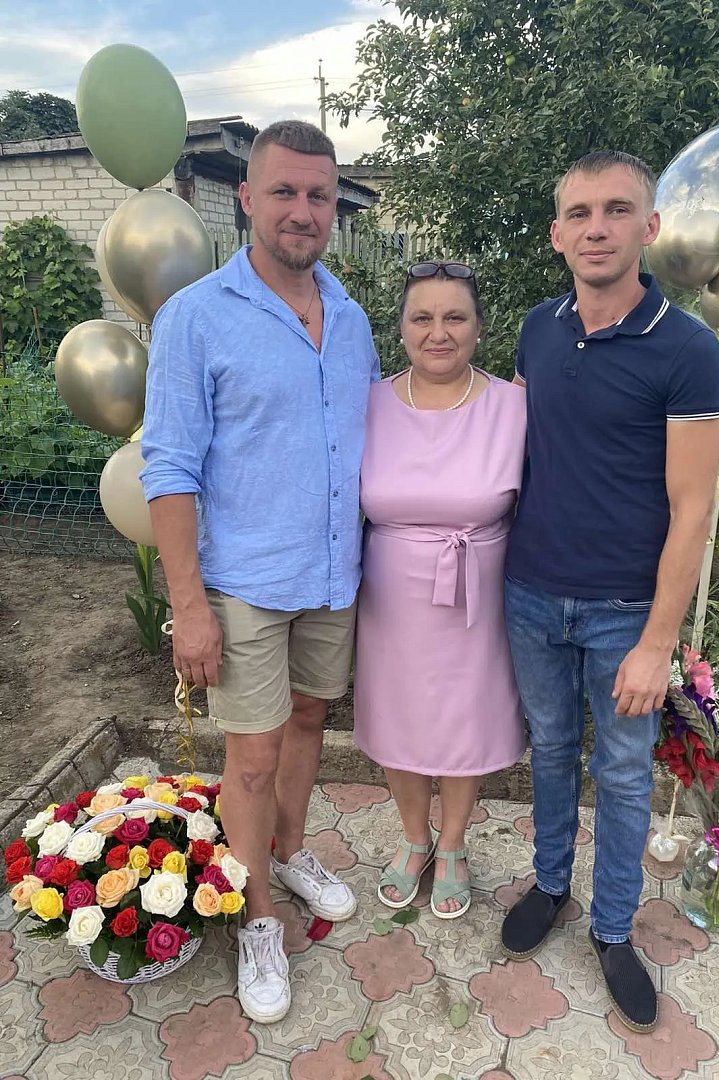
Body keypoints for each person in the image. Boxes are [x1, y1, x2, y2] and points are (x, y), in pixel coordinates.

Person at [139, 120, 379, 1024]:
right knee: (251, 756)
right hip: (242, 583)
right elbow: (169, 468)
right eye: (283, 191)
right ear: (246, 199)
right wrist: (188, 606)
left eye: (319, 195)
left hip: (331, 575)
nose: (302, 210)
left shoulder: (350, 318)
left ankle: (287, 849)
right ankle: (258, 919)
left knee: (310, 721)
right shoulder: (197, 317)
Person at [500, 151, 719, 1032]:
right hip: (531, 593)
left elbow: (693, 506)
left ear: (649, 227)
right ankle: (551, 883)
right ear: (557, 234)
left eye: (617, 210)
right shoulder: (537, 329)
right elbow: (515, 453)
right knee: (552, 751)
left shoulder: (687, 348)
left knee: (625, 775)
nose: (597, 228)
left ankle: (613, 929)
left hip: (624, 611)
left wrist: (658, 641)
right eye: (581, 213)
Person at [353, 261, 527, 920]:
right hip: (391, 595)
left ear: (479, 328)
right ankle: (414, 837)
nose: (439, 332)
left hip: (477, 593)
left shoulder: (513, 407)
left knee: (464, 718)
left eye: (455, 317)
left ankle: (453, 843)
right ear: (400, 329)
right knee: (397, 714)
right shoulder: (369, 404)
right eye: (422, 317)